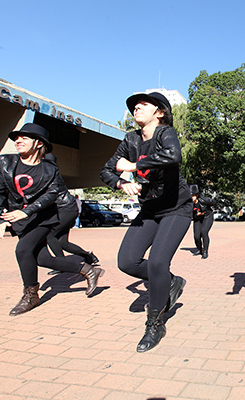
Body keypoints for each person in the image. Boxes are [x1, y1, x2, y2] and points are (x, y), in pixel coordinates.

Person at [100, 92, 192, 352]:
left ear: (159, 112)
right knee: (127, 262)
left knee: (158, 262)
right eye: (134, 105)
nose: (136, 107)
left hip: (176, 207)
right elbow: (107, 169)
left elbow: (174, 156)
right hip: (150, 209)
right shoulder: (130, 139)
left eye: (144, 104)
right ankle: (170, 281)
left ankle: (155, 323)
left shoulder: (165, 133)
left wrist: (134, 165)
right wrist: (121, 182)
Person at [1, 123, 104, 316]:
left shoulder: (49, 169)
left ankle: (31, 295)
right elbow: (0, 191)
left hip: (42, 218)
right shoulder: (5, 162)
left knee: (23, 250)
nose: (18, 140)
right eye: (16, 137)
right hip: (20, 220)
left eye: (24, 137)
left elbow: (52, 194)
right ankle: (88, 269)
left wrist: (28, 211)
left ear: (39, 143)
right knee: (43, 259)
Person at [45, 154, 99, 276]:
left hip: (65, 209)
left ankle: (61, 264)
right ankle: (89, 256)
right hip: (68, 209)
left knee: (50, 235)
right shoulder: (54, 173)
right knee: (63, 242)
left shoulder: (49, 174)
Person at [191, 184, 216, 259]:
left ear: (197, 195)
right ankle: (199, 249)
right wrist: (197, 214)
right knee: (196, 236)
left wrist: (209, 203)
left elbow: (214, 202)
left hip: (207, 217)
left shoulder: (203, 200)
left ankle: (205, 251)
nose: (191, 197)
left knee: (204, 232)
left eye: (193, 195)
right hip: (197, 218)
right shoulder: (189, 204)